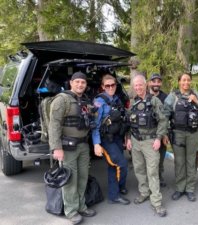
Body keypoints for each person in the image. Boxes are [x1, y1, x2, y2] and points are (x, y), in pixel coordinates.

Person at [49, 71, 96, 225]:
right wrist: (56, 148)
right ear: (71, 83)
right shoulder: (62, 100)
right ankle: (71, 211)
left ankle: (81, 206)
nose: (80, 85)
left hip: (83, 145)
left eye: (83, 82)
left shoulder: (85, 100)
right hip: (67, 147)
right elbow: (54, 124)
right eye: (77, 82)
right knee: (70, 180)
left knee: (83, 177)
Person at [126, 75, 168, 217]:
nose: (138, 87)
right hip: (135, 140)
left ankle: (156, 202)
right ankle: (144, 192)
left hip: (150, 141)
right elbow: (128, 122)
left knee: (152, 172)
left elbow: (163, 121)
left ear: (146, 85)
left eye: (140, 85)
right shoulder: (132, 102)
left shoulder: (154, 101)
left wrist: (158, 138)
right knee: (139, 169)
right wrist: (128, 138)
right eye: (135, 85)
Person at [164, 72, 198, 202]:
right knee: (179, 162)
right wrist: (165, 133)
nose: (186, 82)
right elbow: (165, 114)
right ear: (179, 82)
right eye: (183, 80)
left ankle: (190, 189)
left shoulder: (197, 95)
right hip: (178, 134)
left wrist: (197, 102)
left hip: (193, 134)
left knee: (191, 162)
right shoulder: (173, 96)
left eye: (188, 80)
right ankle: (179, 188)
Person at [92, 74, 130, 205]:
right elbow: (95, 125)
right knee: (120, 164)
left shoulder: (118, 99)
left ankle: (119, 188)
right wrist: (96, 144)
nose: (110, 87)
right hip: (107, 140)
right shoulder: (99, 102)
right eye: (107, 85)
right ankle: (114, 196)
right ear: (103, 87)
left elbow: (123, 120)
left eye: (112, 85)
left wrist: (126, 137)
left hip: (118, 137)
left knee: (113, 166)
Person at [148, 73, 168, 187]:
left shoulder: (165, 97)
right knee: (150, 159)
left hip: (161, 132)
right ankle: (151, 180)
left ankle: (159, 177)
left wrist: (165, 134)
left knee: (160, 158)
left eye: (158, 81)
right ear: (150, 83)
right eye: (153, 81)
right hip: (149, 133)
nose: (156, 83)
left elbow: (167, 117)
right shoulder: (145, 96)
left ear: (161, 83)